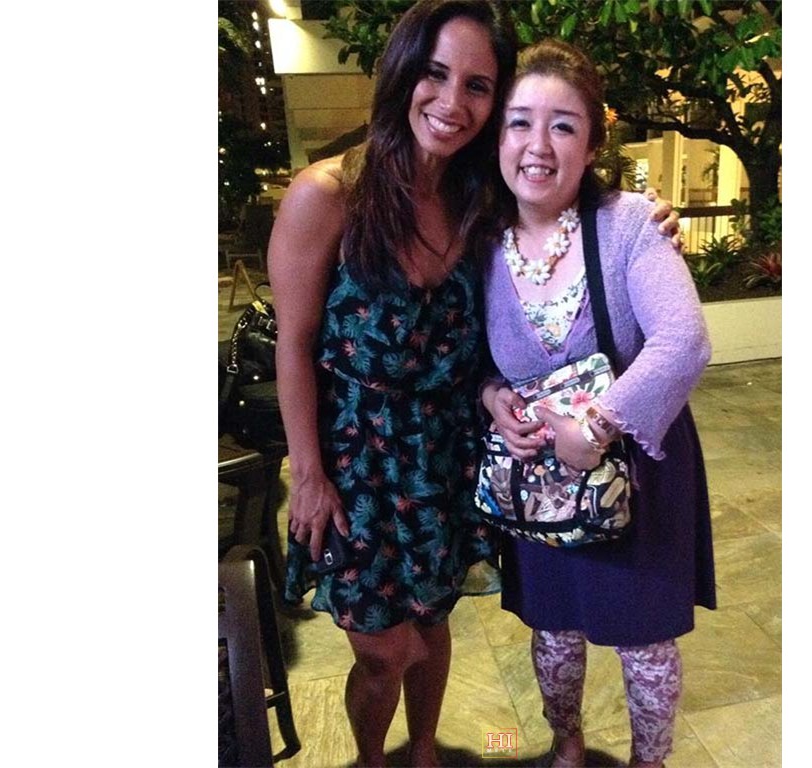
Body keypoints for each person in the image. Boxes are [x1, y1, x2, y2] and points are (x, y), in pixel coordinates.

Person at [269, 2, 679, 763]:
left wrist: (643, 216)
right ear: (402, 73)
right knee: (384, 650)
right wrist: (309, 474)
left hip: (448, 452)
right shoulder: (328, 195)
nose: (452, 102)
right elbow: (291, 347)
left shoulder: (478, 199)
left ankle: (424, 750)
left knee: (432, 628)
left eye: (478, 85)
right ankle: (373, 760)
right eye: (435, 74)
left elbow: (566, 204)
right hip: (358, 461)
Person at [479, 40, 717, 768]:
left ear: (592, 145)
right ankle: (567, 743)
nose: (538, 145)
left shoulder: (629, 224)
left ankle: (650, 761)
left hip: (636, 475)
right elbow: (470, 360)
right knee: (553, 630)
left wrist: (596, 422)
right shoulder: (477, 242)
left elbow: (683, 340)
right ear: (497, 136)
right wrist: (492, 397)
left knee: (645, 642)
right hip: (539, 484)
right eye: (520, 122)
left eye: (564, 125)